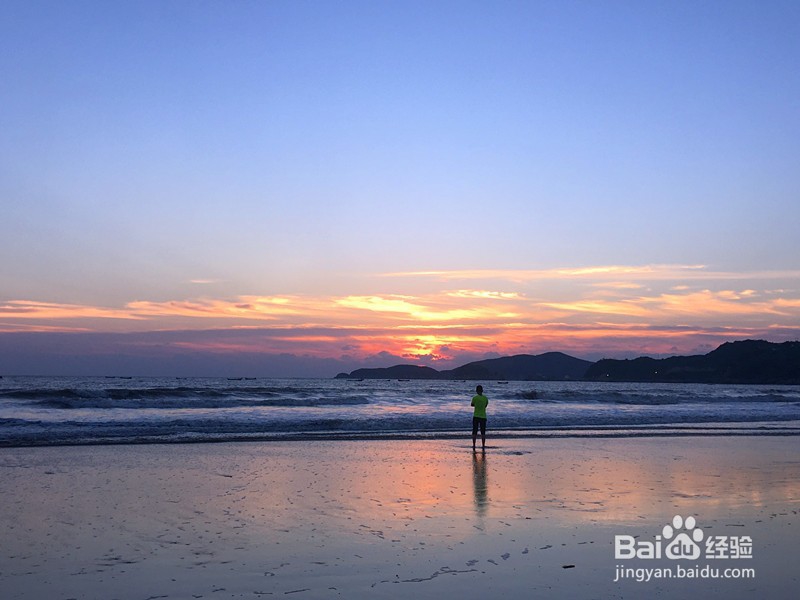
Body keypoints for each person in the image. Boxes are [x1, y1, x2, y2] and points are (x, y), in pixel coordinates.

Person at [471, 385, 488, 450]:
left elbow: (472, 404)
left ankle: (474, 444)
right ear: (482, 390)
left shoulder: (475, 398)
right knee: (483, 432)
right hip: (483, 416)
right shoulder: (485, 398)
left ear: (476, 390)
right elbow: (485, 406)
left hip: (476, 416)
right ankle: (483, 445)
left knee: (474, 431)